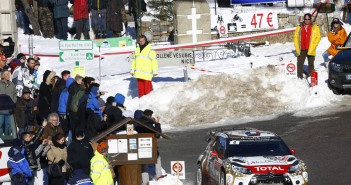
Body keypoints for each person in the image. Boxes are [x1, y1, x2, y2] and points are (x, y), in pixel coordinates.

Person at [136, 109, 163, 182]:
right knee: (157, 158)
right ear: (149, 116)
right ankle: (159, 175)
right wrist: (157, 123)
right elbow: (157, 134)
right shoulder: (148, 124)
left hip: (141, 146)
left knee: (144, 163)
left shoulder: (138, 123)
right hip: (150, 146)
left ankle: (145, 181)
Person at [294, 13, 321, 79]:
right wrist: (296, 45)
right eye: (305, 19)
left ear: (310, 19)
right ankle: (300, 74)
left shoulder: (315, 27)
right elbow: (295, 37)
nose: (307, 20)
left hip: (310, 48)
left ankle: (310, 74)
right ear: (304, 19)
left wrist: (314, 45)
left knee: (311, 62)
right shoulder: (299, 27)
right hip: (302, 48)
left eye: (308, 19)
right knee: (300, 62)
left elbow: (318, 37)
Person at [0, 71, 16, 136]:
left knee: (9, 126)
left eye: (9, 74)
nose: (9, 75)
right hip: (0, 109)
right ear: (3, 76)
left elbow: (15, 93)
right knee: (0, 124)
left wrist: (13, 101)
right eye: (7, 74)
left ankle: (8, 138)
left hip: (9, 109)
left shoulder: (12, 84)